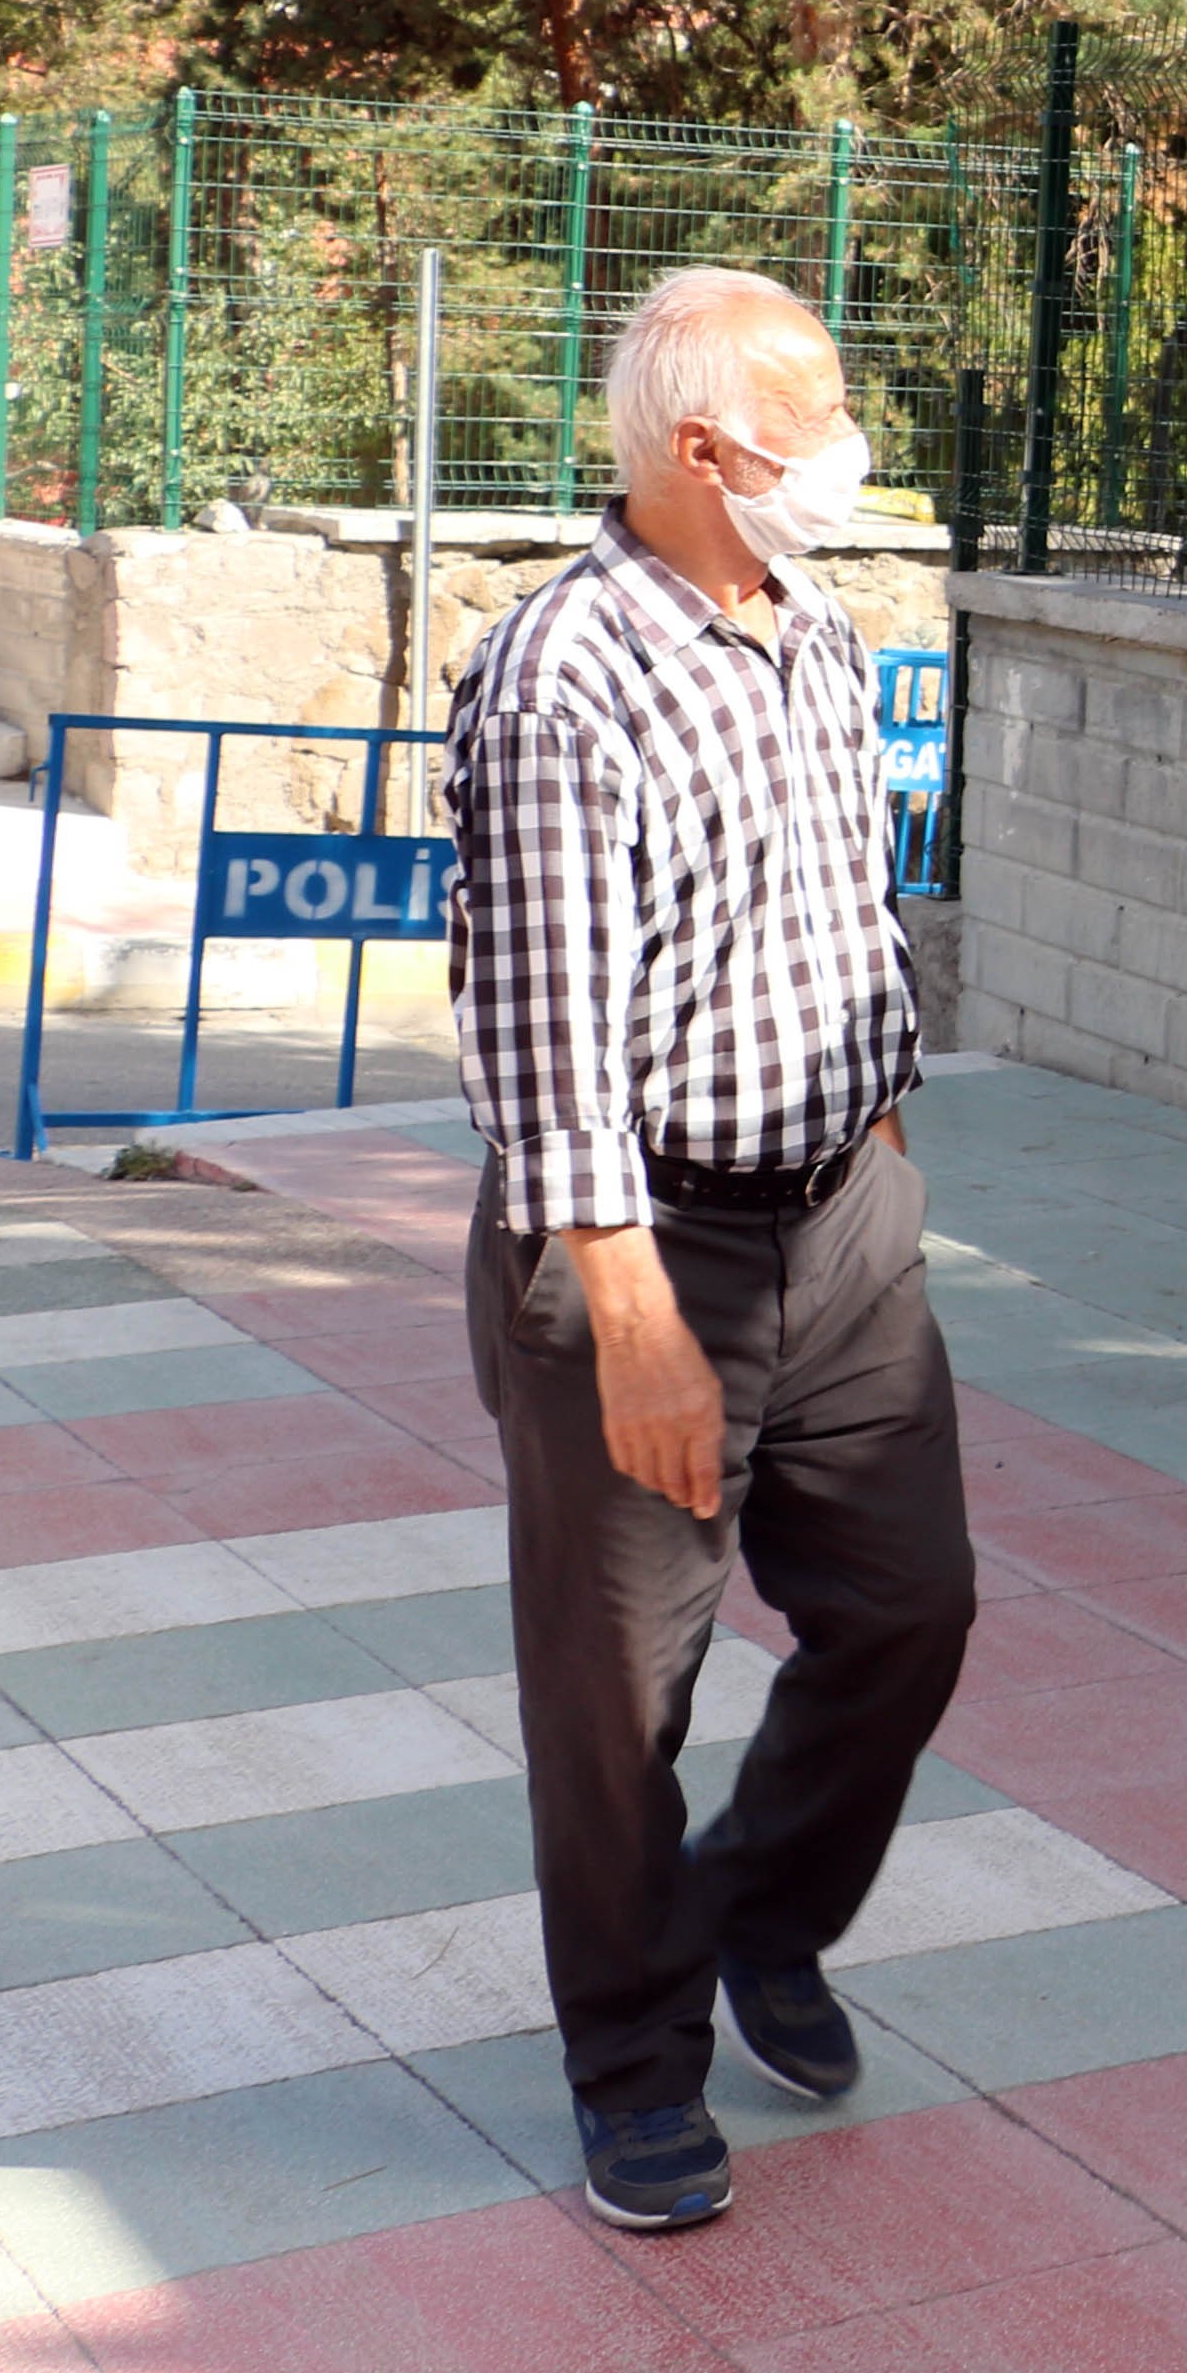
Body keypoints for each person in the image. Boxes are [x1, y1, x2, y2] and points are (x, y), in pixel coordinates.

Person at [447, 265, 963, 2237]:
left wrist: (888, 1132)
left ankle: (749, 1907)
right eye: (814, 417)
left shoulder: (815, 626)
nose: (845, 454)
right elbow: (547, 1039)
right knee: (618, 1697)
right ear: (700, 445)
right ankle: (633, 2067)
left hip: (842, 1221)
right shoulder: (564, 673)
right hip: (642, 1243)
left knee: (911, 1606)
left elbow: (847, 908)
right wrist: (638, 1316)